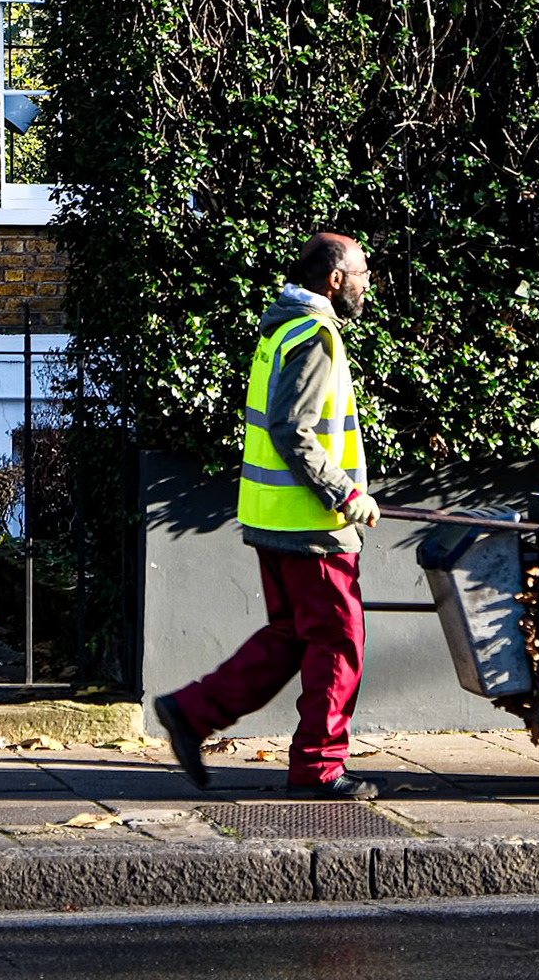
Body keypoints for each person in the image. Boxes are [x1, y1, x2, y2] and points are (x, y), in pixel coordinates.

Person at [154, 232, 383, 800]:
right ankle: (319, 768)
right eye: (360, 274)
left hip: (274, 516)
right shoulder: (316, 336)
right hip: (311, 524)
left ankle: (192, 712)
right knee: (338, 641)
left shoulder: (282, 326)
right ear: (333, 279)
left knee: (291, 635)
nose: (366, 284)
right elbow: (292, 430)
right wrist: (345, 495)